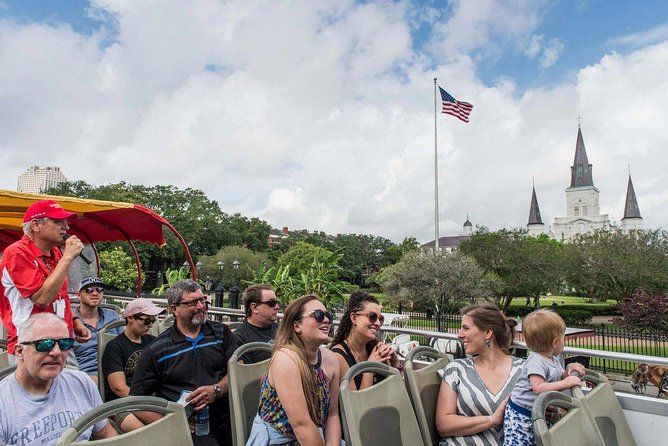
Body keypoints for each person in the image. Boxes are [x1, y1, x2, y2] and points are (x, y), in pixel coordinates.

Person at [129, 280, 238, 446]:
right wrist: (172, 422)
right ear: (174, 310)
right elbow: (136, 402)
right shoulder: (157, 350)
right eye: (192, 303)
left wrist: (216, 390)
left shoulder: (221, 332)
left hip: (229, 420)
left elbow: (238, 370)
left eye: (203, 300)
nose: (201, 306)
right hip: (190, 430)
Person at [0, 313, 117, 445]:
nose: (56, 352)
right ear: (20, 351)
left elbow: (106, 434)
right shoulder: (4, 403)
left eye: (64, 343)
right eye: (45, 344)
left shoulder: (82, 382)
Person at [0, 199, 91, 364]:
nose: (66, 227)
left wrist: (75, 321)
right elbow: (42, 299)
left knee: (70, 388)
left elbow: (60, 296)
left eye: (66, 222)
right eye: (58, 221)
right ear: (36, 225)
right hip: (32, 344)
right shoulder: (17, 253)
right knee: (38, 390)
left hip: (61, 340)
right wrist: (68, 257)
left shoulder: (55, 253)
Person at [247, 294, 341, 446]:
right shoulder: (286, 360)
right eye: (318, 315)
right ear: (297, 326)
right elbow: (301, 426)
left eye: (328, 315)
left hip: (314, 438)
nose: (326, 320)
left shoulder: (331, 359)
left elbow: (332, 415)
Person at [436, 303, 523, 446]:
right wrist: (491, 420)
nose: (459, 334)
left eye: (465, 328)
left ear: (487, 332)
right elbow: (444, 425)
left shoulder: (524, 370)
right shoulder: (456, 369)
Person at [503, 310, 585, 446]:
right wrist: (566, 383)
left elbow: (556, 378)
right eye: (563, 337)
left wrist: (568, 372)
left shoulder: (552, 359)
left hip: (536, 412)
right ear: (555, 342)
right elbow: (539, 387)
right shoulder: (536, 361)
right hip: (522, 415)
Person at [101, 298, 164, 432]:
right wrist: (146, 407)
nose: (150, 325)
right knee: (147, 432)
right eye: (146, 320)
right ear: (130, 318)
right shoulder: (114, 347)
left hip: (152, 398)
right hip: (122, 403)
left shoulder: (153, 342)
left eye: (152, 321)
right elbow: (119, 388)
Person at [330, 290, 399, 390]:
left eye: (381, 319)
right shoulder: (338, 356)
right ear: (354, 318)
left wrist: (396, 364)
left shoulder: (373, 349)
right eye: (373, 316)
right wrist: (370, 367)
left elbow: (396, 389)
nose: (378, 323)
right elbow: (356, 403)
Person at [72, 276, 123, 382]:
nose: (95, 293)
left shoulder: (112, 316)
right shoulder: (71, 322)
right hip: (84, 376)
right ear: (79, 295)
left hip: (115, 372)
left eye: (99, 290)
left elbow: (124, 344)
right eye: (88, 290)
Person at [233, 284, 279, 364]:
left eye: (277, 302)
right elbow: (246, 373)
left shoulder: (281, 330)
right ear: (254, 307)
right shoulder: (239, 338)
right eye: (271, 303)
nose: (277, 307)